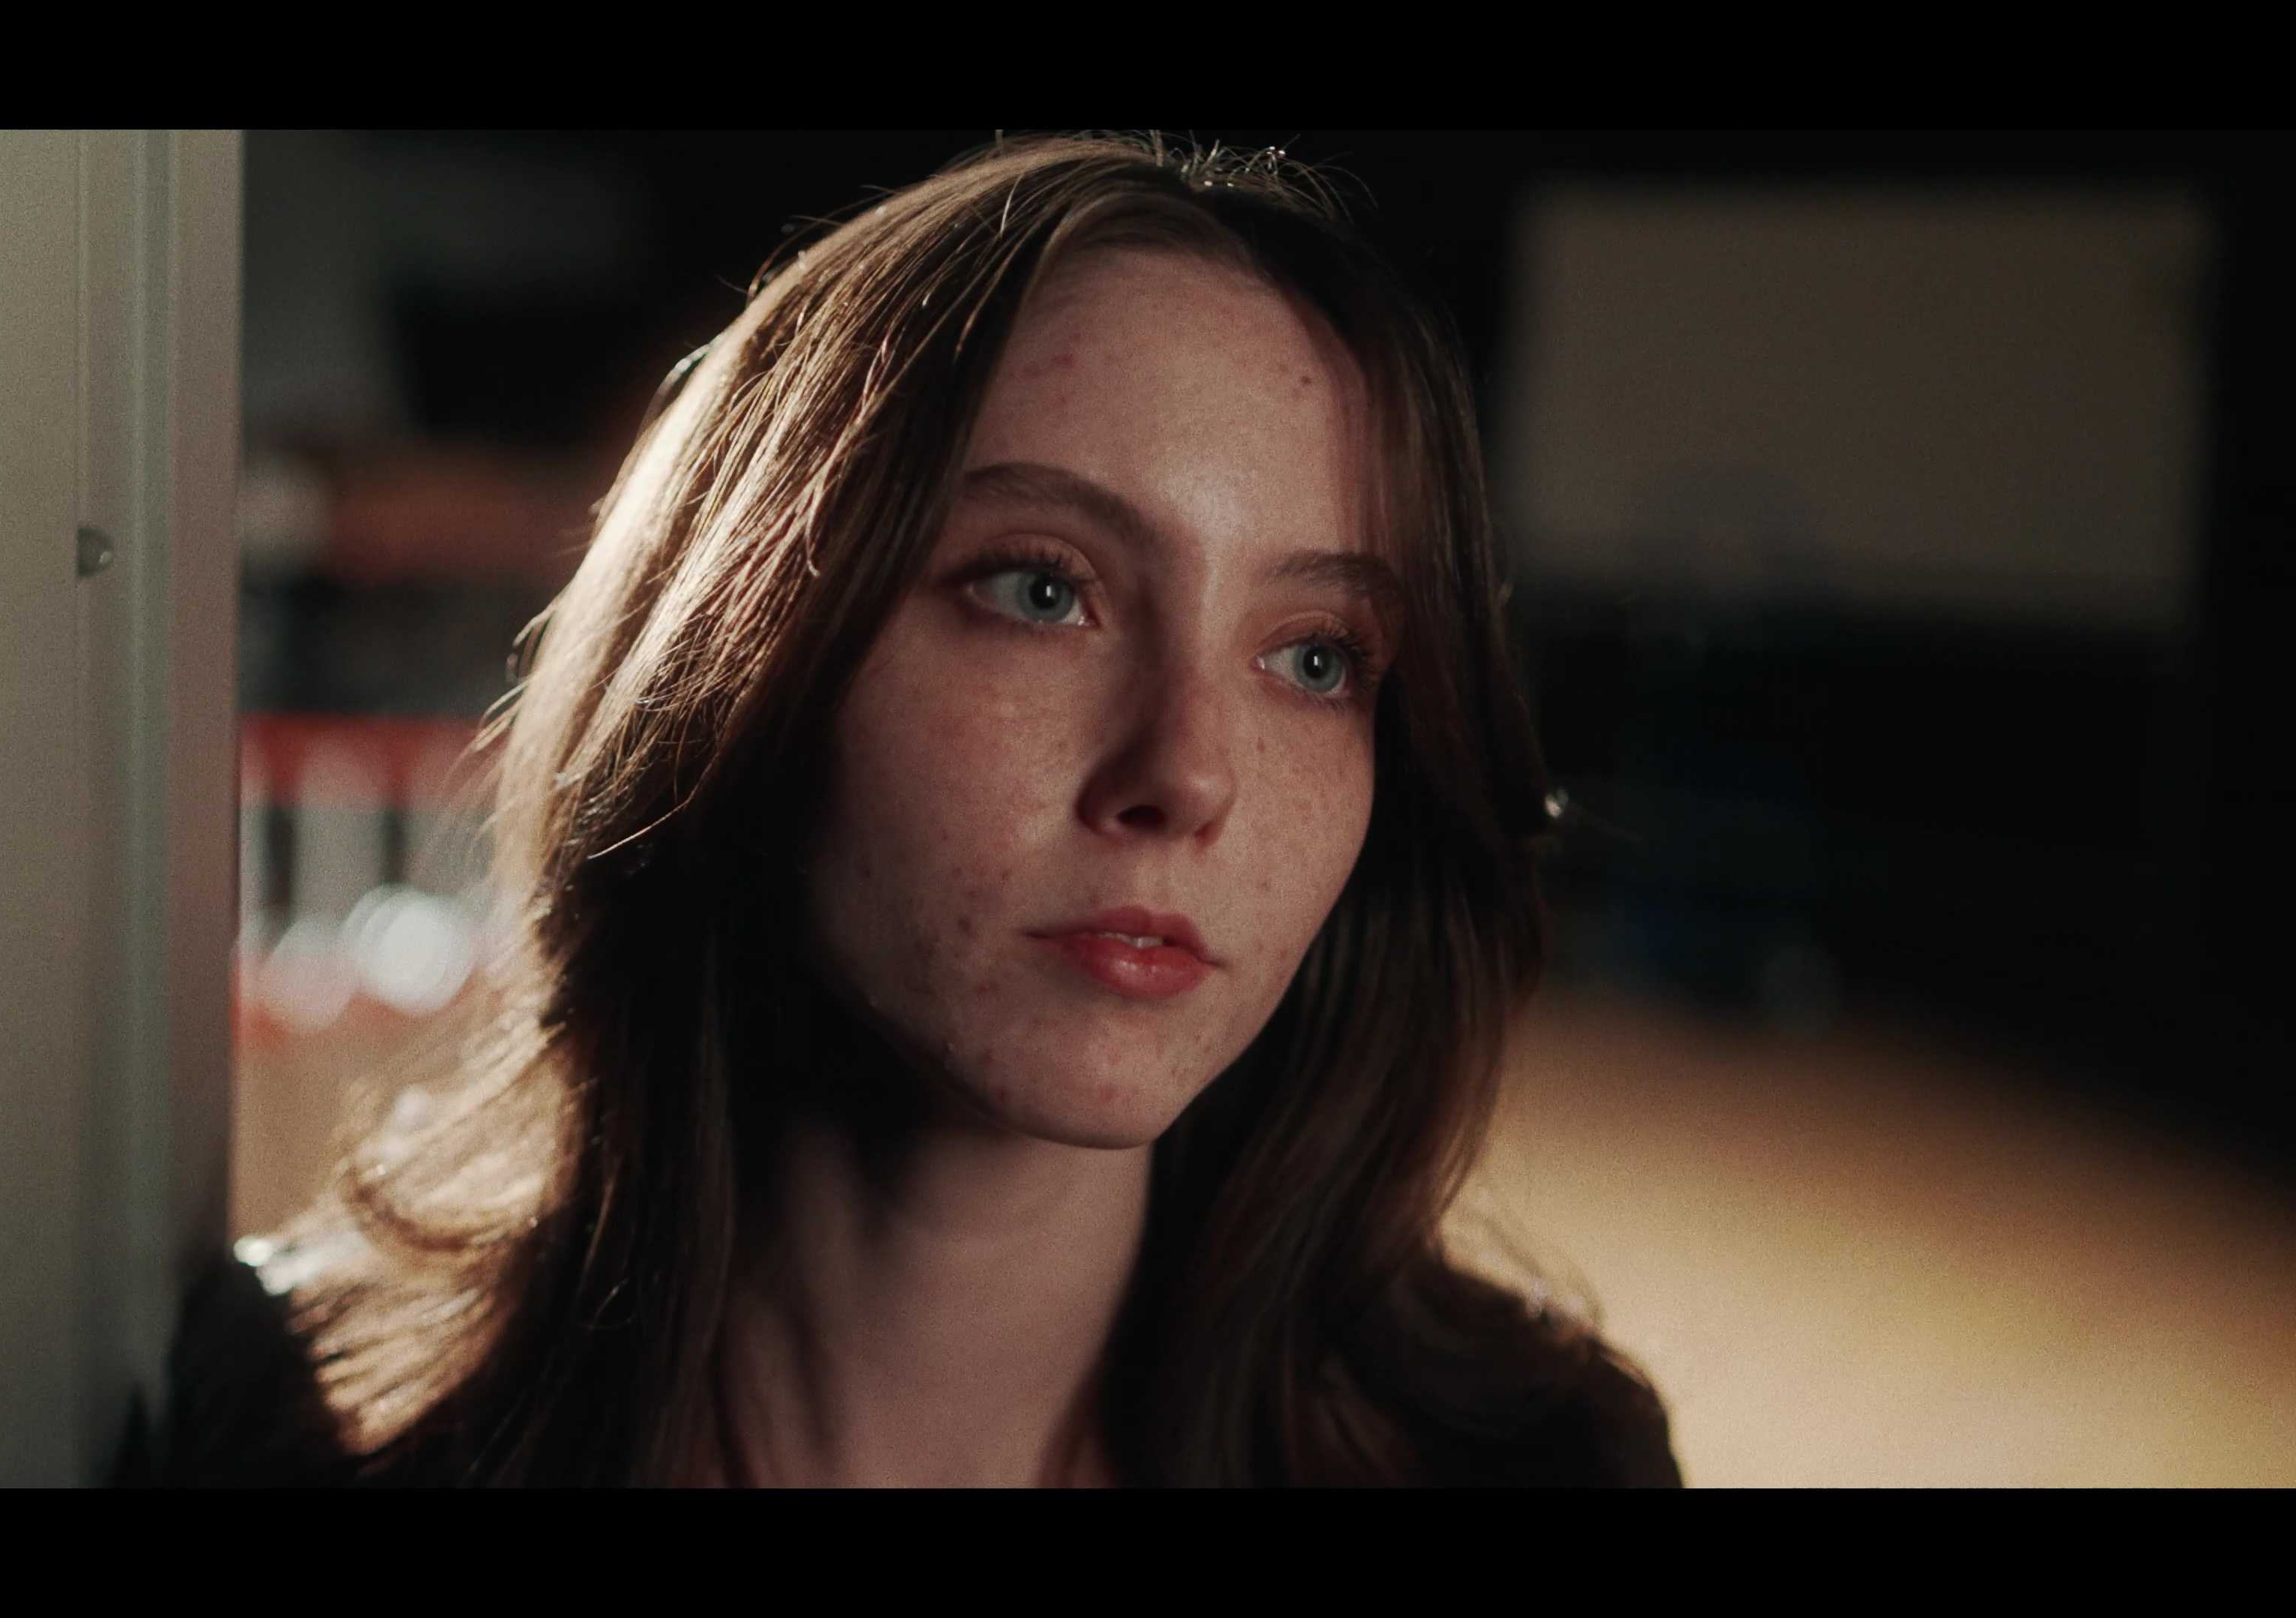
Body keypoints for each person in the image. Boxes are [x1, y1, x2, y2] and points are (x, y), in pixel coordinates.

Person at [171, 134, 1678, 1487]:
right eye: (1044, 590)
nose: (1188, 774)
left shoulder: (1540, 1465)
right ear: (747, 645)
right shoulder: (298, 1429)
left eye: (1316, 658)